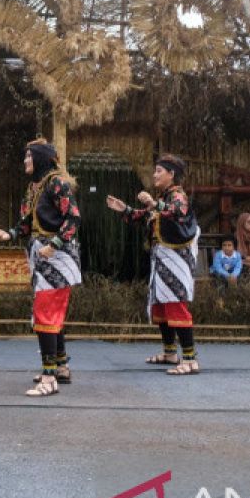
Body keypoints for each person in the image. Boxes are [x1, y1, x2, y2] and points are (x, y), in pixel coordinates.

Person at [0, 138, 81, 397]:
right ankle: (61, 366)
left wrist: (54, 244)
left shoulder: (57, 183)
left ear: (41, 158)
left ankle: (49, 377)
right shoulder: (34, 187)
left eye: (29, 157)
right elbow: (25, 223)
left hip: (57, 257)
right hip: (41, 256)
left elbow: (73, 218)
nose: (25, 161)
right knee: (51, 312)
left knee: (46, 313)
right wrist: (9, 234)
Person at [107, 154, 201, 376]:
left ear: (171, 174)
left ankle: (190, 359)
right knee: (161, 305)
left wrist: (153, 203)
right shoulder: (164, 197)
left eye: (159, 171)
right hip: (161, 258)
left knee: (175, 303)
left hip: (176, 260)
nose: (155, 174)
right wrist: (125, 210)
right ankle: (170, 352)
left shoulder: (178, 196)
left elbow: (176, 212)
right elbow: (145, 216)